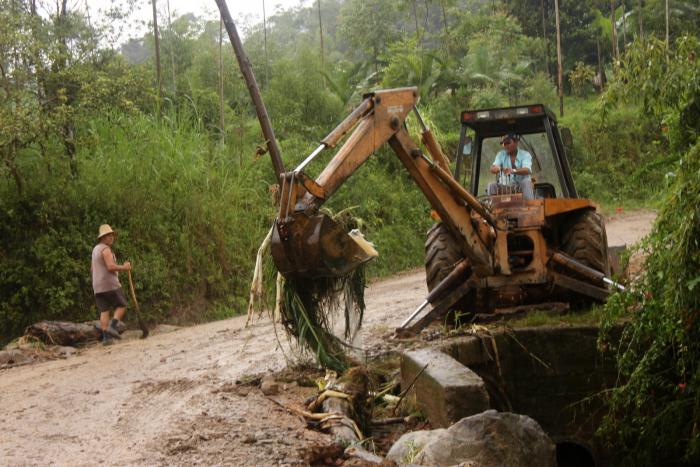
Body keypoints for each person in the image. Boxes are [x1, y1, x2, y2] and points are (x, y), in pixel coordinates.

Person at [91, 224, 131, 345]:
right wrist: (124, 267)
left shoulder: (95, 250)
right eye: (108, 235)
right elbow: (110, 267)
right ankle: (112, 327)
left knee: (104, 311)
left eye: (112, 235)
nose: (111, 237)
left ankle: (106, 338)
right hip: (109, 284)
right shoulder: (105, 249)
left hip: (98, 286)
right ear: (102, 237)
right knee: (122, 305)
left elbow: (92, 269)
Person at [487, 132, 534, 200]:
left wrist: (512, 171)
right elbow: (492, 168)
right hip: (505, 187)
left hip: (520, 187)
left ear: (516, 142)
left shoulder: (525, 155)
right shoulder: (501, 155)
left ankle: (530, 207)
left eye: (508, 143)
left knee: (526, 182)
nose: (506, 146)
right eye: (504, 144)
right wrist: (497, 168)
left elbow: (527, 170)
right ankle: (490, 208)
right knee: (491, 185)